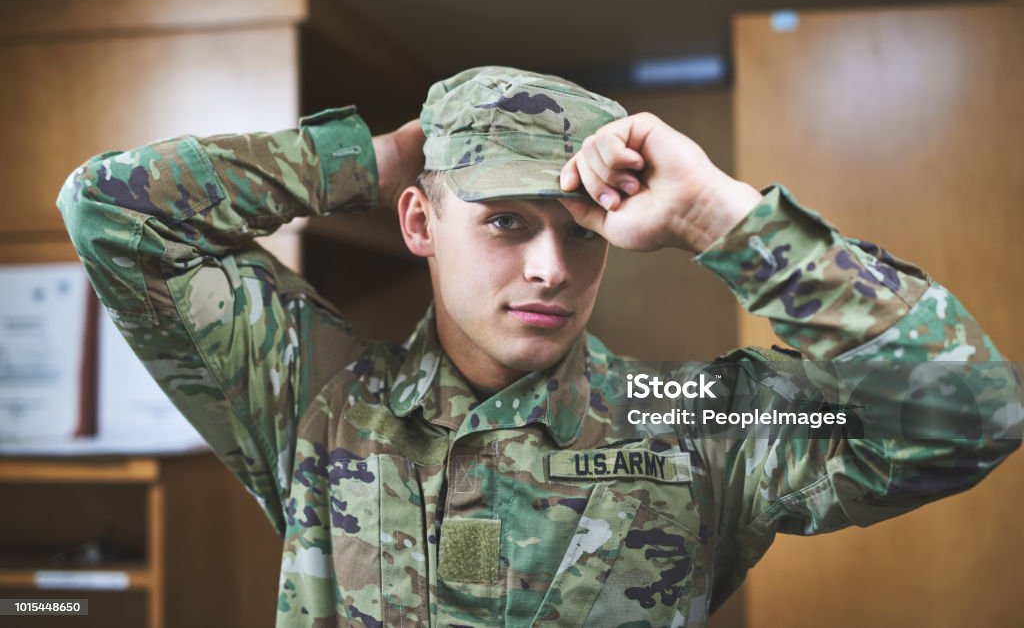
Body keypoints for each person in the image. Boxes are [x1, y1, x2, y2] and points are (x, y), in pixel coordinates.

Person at [58, 66, 1020, 627]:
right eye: (507, 223)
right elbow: (109, 211)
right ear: (420, 225)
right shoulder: (323, 401)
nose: (554, 267)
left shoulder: (687, 428)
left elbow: (971, 413)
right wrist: (394, 155)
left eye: (581, 230)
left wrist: (718, 215)